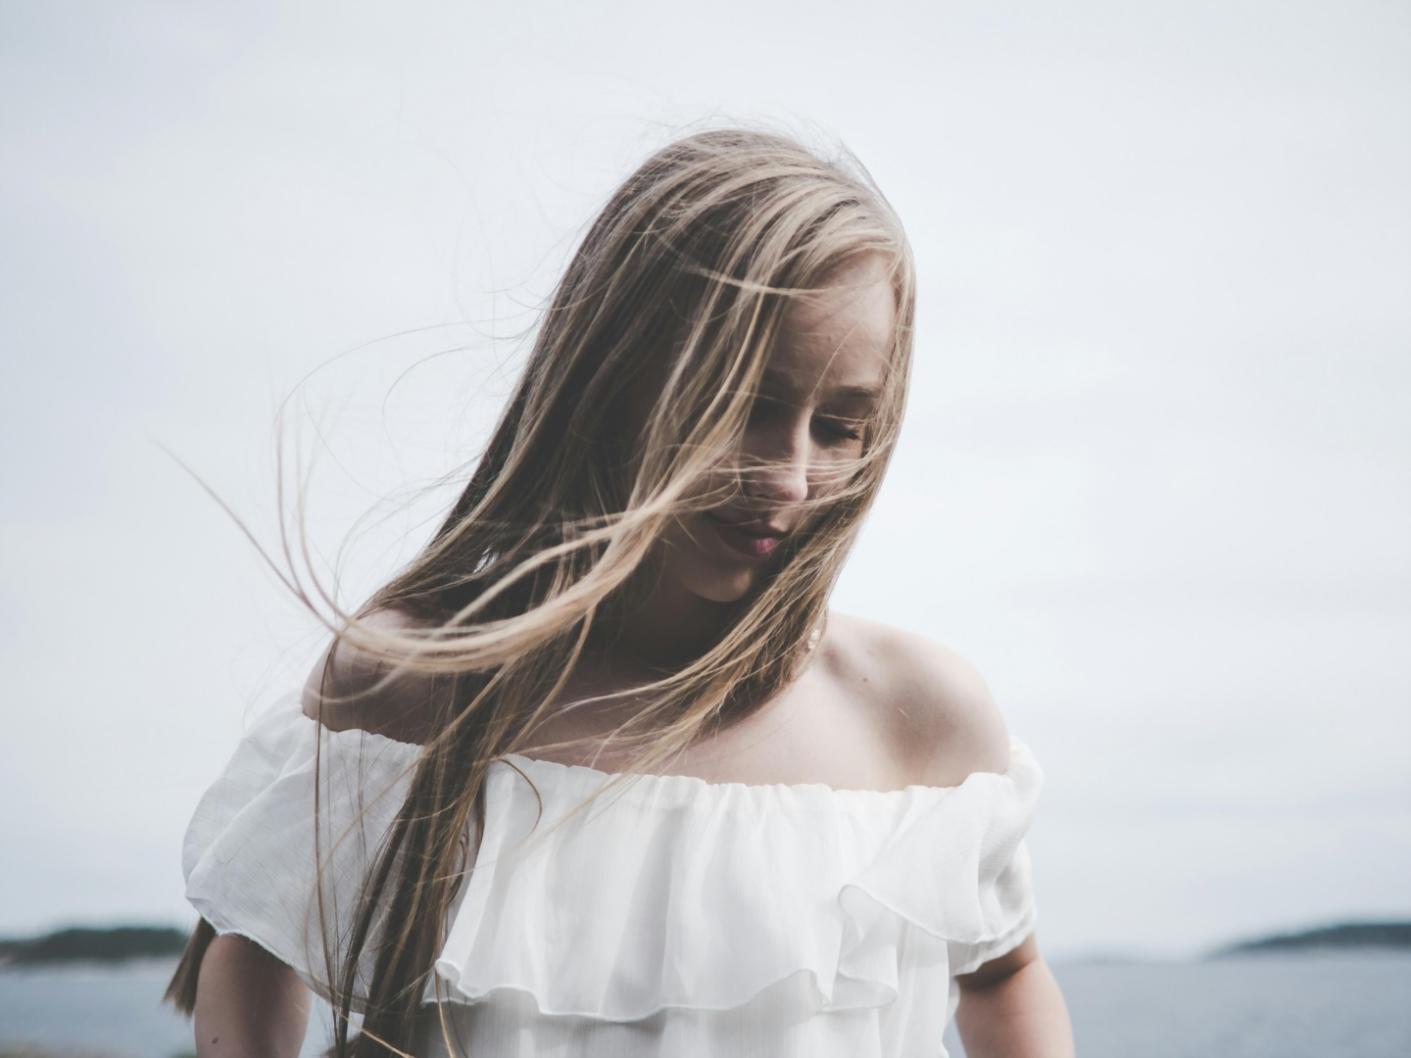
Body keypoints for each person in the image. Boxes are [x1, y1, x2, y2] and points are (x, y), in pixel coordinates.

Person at [163, 124, 1075, 1057]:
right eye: (744, 405)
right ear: (610, 377)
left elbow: (1004, 974)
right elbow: (253, 946)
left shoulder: (919, 717)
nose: (790, 478)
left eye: (840, 426)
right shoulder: (414, 682)